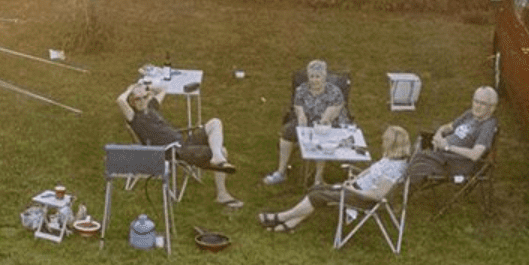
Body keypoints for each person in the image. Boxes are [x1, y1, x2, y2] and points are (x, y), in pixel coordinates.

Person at [257, 125, 412, 233]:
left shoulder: (395, 168)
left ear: (394, 144)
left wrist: (350, 189)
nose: (382, 142)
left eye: (386, 140)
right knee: (316, 189)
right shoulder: (391, 159)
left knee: (316, 195)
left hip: (362, 198)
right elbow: (370, 171)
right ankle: (290, 223)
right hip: (355, 188)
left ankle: (281, 217)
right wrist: (354, 179)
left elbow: (377, 195)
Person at [116, 80, 243, 209]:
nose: (142, 101)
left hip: (182, 143)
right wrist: (131, 88)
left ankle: (217, 157)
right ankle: (222, 194)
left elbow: (163, 88)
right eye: (138, 99)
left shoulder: (151, 106)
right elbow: (120, 100)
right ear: (132, 101)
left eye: (145, 97)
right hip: (174, 152)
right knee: (222, 150)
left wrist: (146, 87)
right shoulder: (133, 117)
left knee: (215, 122)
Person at [263, 59, 345, 186]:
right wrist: (301, 117)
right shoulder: (301, 89)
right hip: (306, 122)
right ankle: (281, 172)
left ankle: (318, 179)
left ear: (324, 77)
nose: (314, 80)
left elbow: (335, 109)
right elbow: (298, 107)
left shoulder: (334, 91)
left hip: (327, 124)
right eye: (311, 76)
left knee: (322, 137)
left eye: (318, 76)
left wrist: (326, 118)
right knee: (287, 132)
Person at [408, 86, 498, 188]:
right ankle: (401, 173)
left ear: (492, 108)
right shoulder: (470, 114)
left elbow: (475, 154)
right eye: (476, 101)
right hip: (442, 153)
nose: (477, 106)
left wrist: (447, 147)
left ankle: (401, 178)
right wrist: (438, 134)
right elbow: (448, 127)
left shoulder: (488, 126)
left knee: (416, 161)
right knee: (417, 144)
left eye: (482, 104)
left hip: (454, 163)